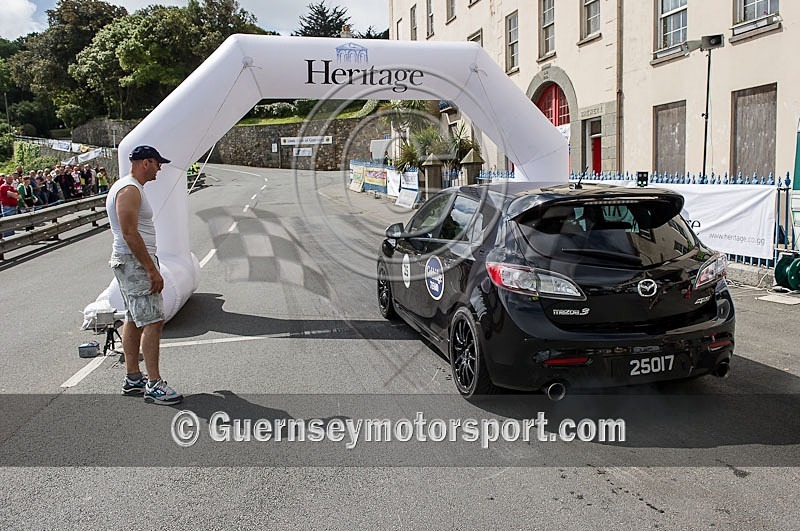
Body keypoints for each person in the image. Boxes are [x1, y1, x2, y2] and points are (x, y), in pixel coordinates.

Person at [107, 145, 182, 405]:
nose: (160, 168)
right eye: (157, 163)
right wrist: (151, 269)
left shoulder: (127, 187)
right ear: (146, 163)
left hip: (130, 261)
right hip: (135, 262)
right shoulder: (129, 190)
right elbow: (129, 233)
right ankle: (154, 383)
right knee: (153, 320)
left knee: (134, 318)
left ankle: (133, 378)